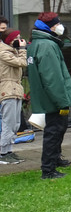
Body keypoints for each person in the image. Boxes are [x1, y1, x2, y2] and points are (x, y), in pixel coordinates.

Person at [26, 12, 71, 179]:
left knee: (58, 129)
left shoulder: (37, 43)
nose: (60, 26)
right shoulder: (47, 46)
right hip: (53, 99)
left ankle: (55, 159)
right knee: (54, 132)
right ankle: (48, 169)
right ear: (50, 27)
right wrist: (62, 101)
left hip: (47, 96)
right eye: (57, 23)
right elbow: (52, 78)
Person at [0, 29, 27, 164]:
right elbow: (22, 62)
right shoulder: (3, 53)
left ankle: (9, 151)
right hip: (8, 90)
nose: (19, 40)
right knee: (8, 123)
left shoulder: (12, 52)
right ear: (9, 40)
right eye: (16, 38)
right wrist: (22, 50)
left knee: (15, 123)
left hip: (15, 90)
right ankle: (3, 153)